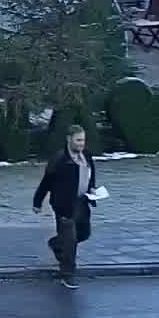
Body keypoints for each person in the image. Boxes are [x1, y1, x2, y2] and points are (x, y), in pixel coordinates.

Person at [33, 124, 101, 289]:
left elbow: (90, 174)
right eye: (78, 140)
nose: (81, 143)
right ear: (69, 139)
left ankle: (56, 243)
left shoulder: (86, 155)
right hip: (64, 205)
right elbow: (46, 182)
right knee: (70, 241)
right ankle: (68, 275)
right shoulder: (60, 159)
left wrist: (92, 188)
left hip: (83, 202)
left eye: (83, 140)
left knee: (84, 234)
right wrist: (37, 202)